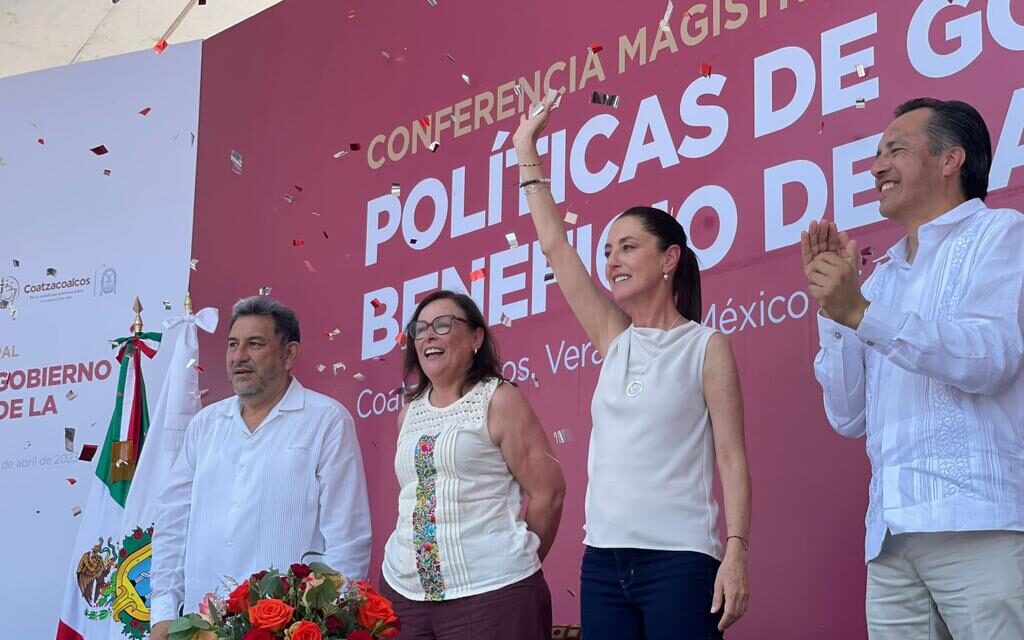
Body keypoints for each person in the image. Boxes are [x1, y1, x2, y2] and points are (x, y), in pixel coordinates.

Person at [512, 96, 752, 639]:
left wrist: (736, 553)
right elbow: (555, 246)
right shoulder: (614, 338)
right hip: (602, 566)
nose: (612, 261)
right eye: (607, 250)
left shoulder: (705, 346)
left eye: (628, 247)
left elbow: (732, 461)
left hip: (681, 561)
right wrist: (526, 151)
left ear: (669, 259)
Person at [803, 98, 1024, 639]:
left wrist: (861, 313)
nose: (877, 165)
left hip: (977, 524)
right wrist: (834, 312)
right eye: (877, 153)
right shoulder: (880, 280)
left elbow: (990, 359)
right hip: (891, 538)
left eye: (895, 150)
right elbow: (848, 416)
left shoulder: (1000, 233)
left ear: (951, 160)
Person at [150, 296, 371, 640]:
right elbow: (172, 523)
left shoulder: (325, 420)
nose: (239, 357)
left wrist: (332, 622)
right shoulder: (205, 425)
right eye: (233, 345)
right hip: (200, 627)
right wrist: (163, 613)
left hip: (290, 629)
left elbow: (348, 538)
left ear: (290, 353)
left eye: (255, 344)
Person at [380, 289, 565, 640]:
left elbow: (549, 493)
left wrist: (514, 562)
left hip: (492, 596)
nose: (429, 335)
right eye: (419, 329)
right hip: (405, 596)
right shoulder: (408, 414)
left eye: (443, 324)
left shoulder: (499, 399)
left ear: (476, 337)